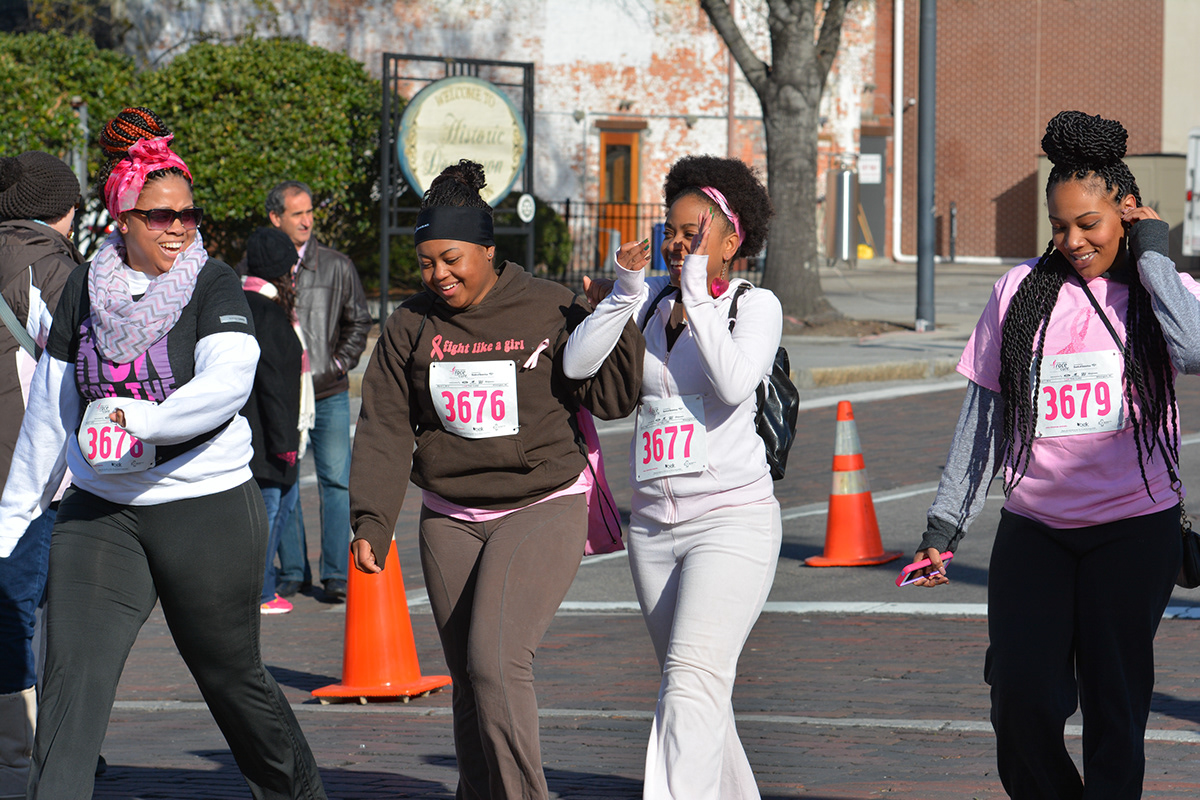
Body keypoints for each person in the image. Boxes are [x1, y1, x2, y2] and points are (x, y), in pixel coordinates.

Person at [0, 107, 326, 799]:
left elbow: (228, 379)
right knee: (70, 684)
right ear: (123, 217)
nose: (179, 226)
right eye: (160, 215)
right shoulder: (86, 286)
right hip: (102, 511)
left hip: (202, 506)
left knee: (229, 675)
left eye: (188, 212)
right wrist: (12, 516)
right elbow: (54, 410)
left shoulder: (211, 284)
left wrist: (143, 418)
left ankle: (296, 790)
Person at [904, 110, 1200, 798]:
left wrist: (1154, 252)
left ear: (1126, 212)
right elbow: (980, 424)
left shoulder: (1161, 294)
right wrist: (943, 529)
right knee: (1023, 701)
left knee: (1114, 710)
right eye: (1060, 225)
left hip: (1134, 529)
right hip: (1036, 528)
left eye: (1089, 224)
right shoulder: (1018, 294)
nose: (1072, 240)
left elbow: (1191, 349)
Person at [349, 159, 643, 799]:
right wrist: (370, 518)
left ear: (488, 249)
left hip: (540, 503)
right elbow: (384, 426)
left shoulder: (547, 305)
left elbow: (617, 399)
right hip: (451, 514)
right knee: (468, 675)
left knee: (496, 663)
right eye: (426, 263)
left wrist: (612, 317)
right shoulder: (410, 325)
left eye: (452, 259)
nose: (439, 276)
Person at [563, 154, 781, 800]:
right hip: (654, 529)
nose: (680, 243)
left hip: (732, 523)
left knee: (691, 678)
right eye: (673, 231)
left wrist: (698, 298)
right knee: (696, 689)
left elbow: (735, 382)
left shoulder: (753, 305)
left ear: (731, 241)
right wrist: (626, 293)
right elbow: (579, 366)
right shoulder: (650, 306)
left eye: (696, 232)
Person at [0, 151, 82, 800]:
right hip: (33, 476)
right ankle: (31, 758)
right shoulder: (51, 269)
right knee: (33, 612)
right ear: (64, 209)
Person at [267, 180, 370, 602]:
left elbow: (358, 322)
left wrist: (336, 364)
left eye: (310, 212)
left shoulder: (336, 265)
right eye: (297, 213)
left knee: (335, 481)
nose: (307, 220)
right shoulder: (261, 266)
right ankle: (292, 570)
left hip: (327, 392)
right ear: (276, 218)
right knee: (285, 480)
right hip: (281, 396)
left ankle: (335, 574)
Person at [241, 226, 307, 615]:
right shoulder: (268, 312)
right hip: (269, 438)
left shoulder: (241, 300)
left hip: (256, 433)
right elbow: (274, 383)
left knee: (275, 508)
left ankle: (260, 587)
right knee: (270, 512)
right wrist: (286, 442)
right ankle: (260, 591)